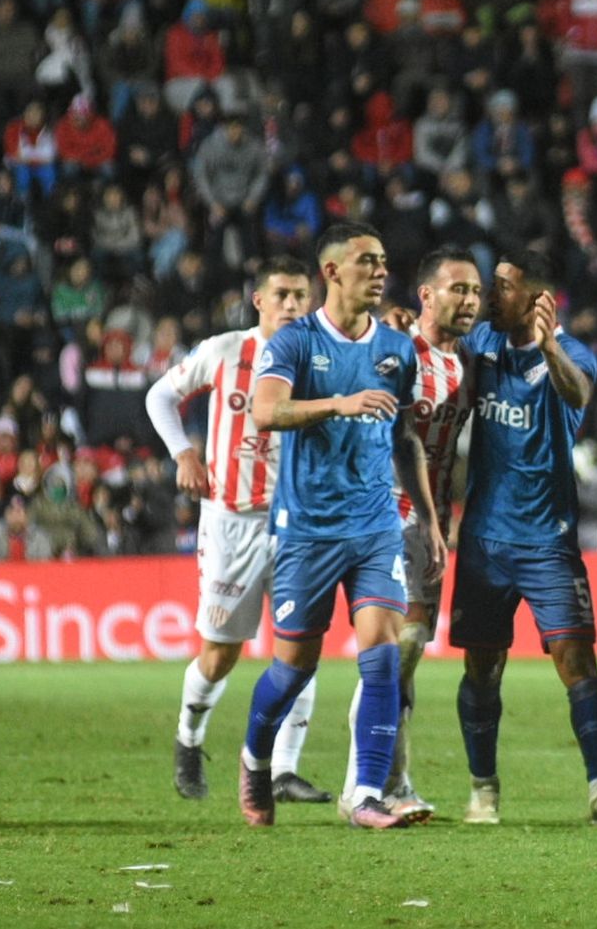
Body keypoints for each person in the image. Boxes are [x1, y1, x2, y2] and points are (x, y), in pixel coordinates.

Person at [237, 222, 444, 829]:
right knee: (293, 666)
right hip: (307, 528)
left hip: (376, 523)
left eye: (383, 261)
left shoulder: (397, 348)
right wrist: (337, 403)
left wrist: (427, 517)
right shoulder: (295, 342)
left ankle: (368, 795)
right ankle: (255, 759)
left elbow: (405, 437)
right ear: (331, 272)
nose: (381, 272)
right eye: (366, 262)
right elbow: (266, 410)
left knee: (382, 651)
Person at [145, 256, 332, 805]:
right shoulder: (226, 351)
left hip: (299, 525)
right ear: (260, 301)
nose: (294, 305)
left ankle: (283, 771)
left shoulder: (320, 357)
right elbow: (159, 396)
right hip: (233, 520)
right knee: (220, 653)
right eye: (283, 296)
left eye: (302, 295)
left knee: (300, 647)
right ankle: (189, 736)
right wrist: (184, 452)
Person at [451, 248, 597, 827]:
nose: (490, 296)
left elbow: (577, 394)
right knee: (482, 666)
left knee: (576, 658)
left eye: (503, 286)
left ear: (539, 299)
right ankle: (484, 789)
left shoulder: (572, 355)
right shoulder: (480, 344)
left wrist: (549, 348)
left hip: (548, 539)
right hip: (483, 540)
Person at [338, 247, 482, 822]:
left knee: (409, 653)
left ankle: (392, 782)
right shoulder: (398, 350)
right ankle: (366, 786)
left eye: (475, 292)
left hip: (431, 523)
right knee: (390, 654)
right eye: (457, 290)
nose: (469, 301)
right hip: (386, 514)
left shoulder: (469, 362)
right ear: (425, 295)